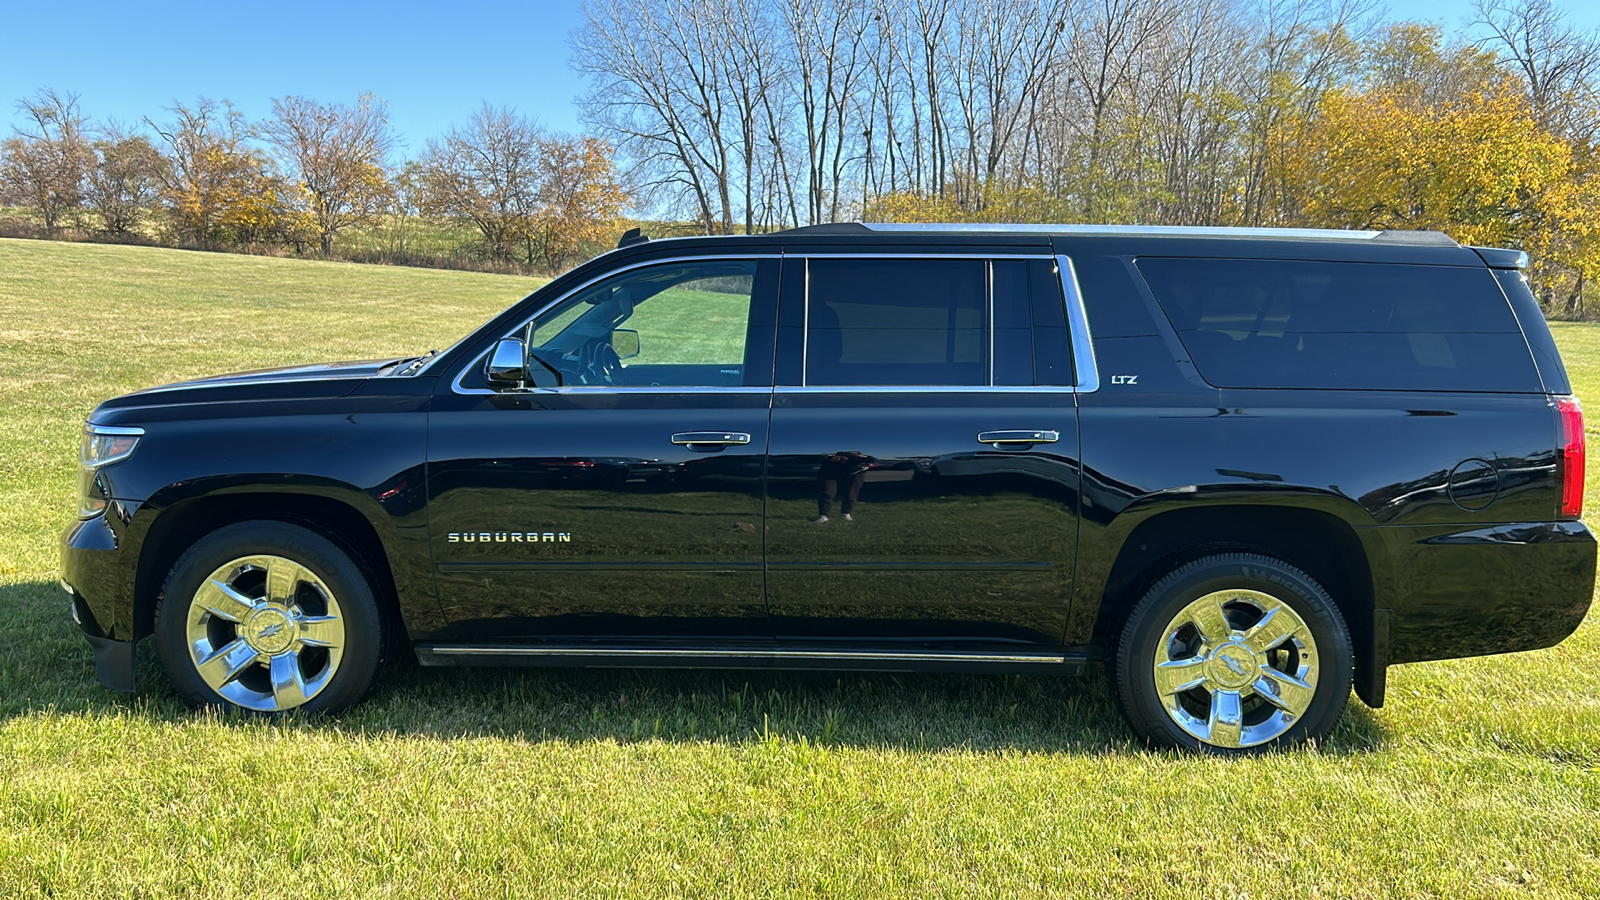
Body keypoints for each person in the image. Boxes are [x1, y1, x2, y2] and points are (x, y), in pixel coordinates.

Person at [815, 450, 871, 522]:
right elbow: (821, 459)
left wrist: (857, 458)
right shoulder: (831, 456)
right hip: (829, 471)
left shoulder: (860, 458)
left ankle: (846, 513)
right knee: (827, 493)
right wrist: (832, 459)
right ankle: (823, 515)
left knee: (851, 493)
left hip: (855, 472)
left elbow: (870, 459)